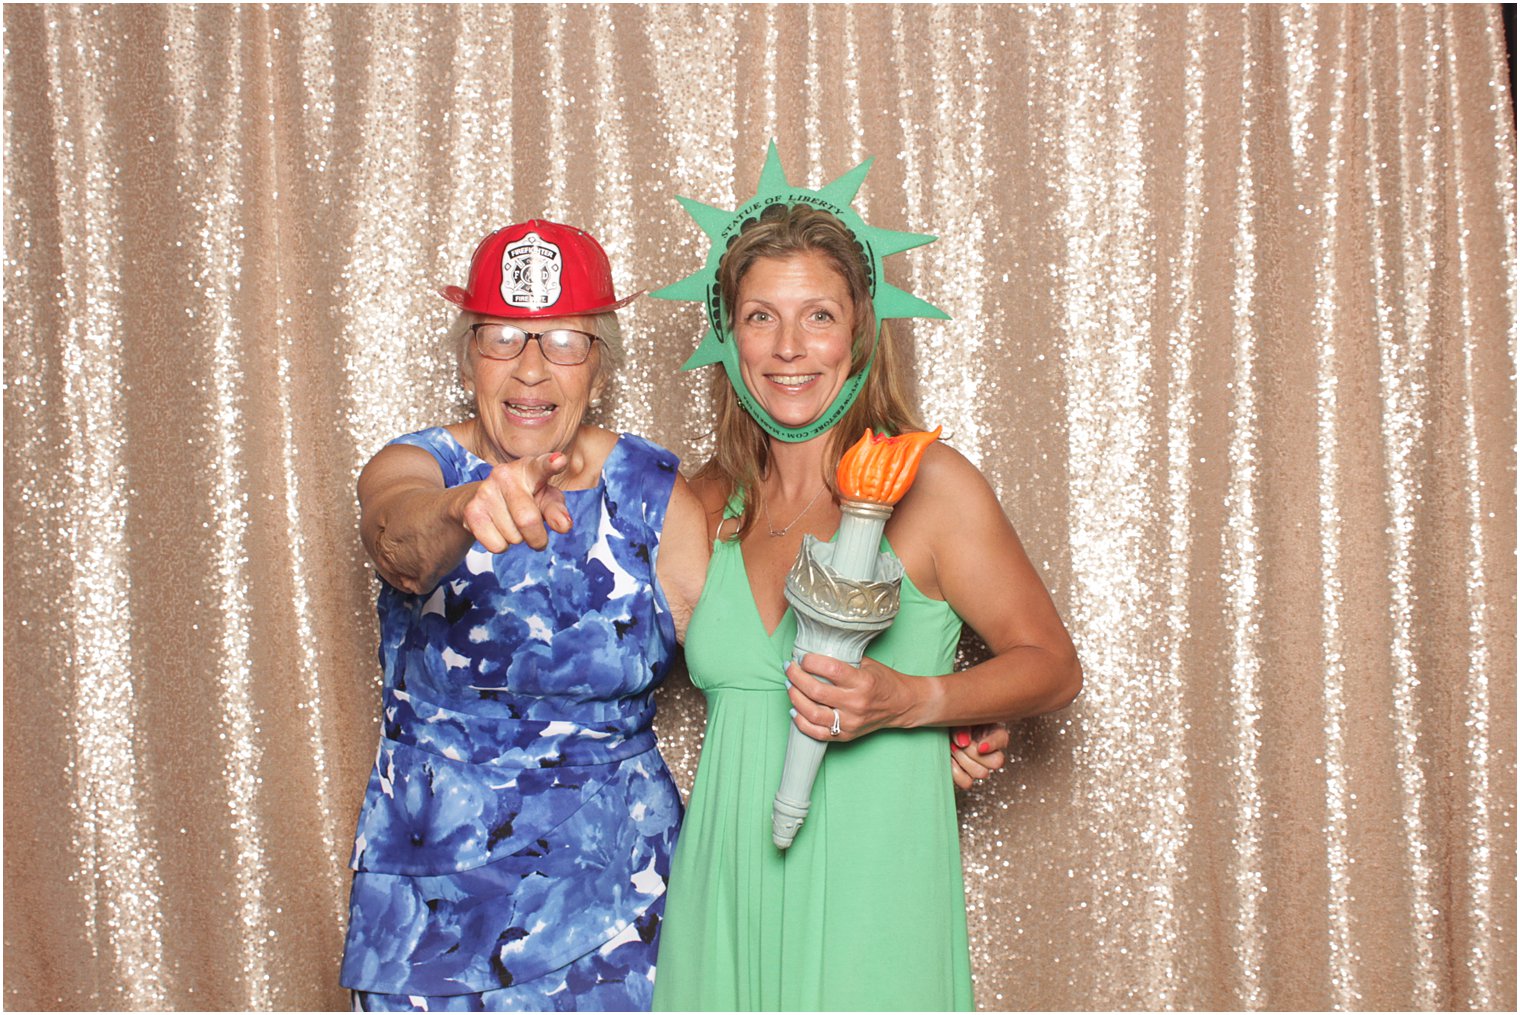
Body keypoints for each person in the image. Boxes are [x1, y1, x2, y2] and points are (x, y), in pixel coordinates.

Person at [649, 150, 1083, 1011]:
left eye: (819, 315)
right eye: (760, 316)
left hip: (874, 892)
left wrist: (920, 702)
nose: (788, 347)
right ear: (727, 335)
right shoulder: (697, 502)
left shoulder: (933, 487)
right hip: (725, 889)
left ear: (861, 330)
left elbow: (1051, 665)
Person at [337, 220, 709, 1011]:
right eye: (501, 337)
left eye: (564, 341)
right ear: (468, 354)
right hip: (430, 907)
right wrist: (467, 505)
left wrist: (913, 725)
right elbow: (399, 543)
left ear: (598, 365)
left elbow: (746, 668)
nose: (531, 367)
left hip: (623, 901)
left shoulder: (653, 495)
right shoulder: (418, 466)